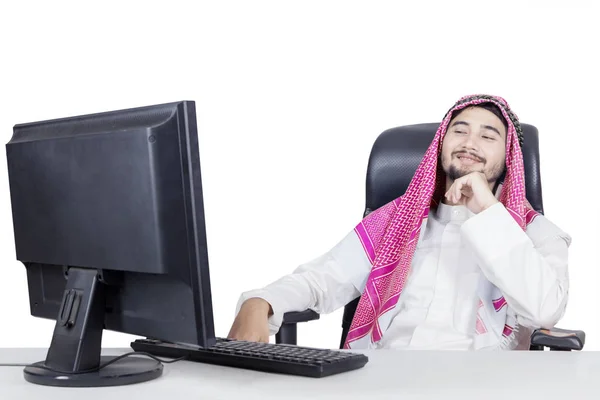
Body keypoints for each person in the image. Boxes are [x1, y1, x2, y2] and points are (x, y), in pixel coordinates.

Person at [228, 94, 571, 350]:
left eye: (487, 136)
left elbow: (544, 312)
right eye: (460, 131)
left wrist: (487, 209)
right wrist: (261, 302)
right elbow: (321, 280)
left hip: (482, 383)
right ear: (441, 145)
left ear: (508, 156)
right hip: (383, 379)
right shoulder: (395, 222)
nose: (469, 143)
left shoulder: (536, 234)